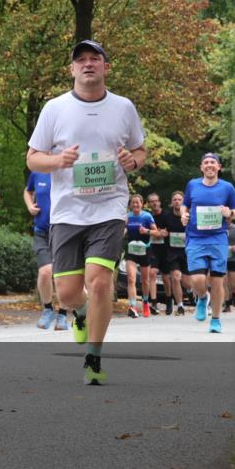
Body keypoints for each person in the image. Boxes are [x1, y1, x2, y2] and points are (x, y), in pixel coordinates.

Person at [27, 39, 146, 386]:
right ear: (72, 69)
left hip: (109, 208)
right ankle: (79, 312)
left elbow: (140, 150)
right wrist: (57, 160)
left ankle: (93, 358)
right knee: (66, 293)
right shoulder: (54, 108)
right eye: (81, 60)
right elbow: (33, 158)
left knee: (100, 281)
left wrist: (133, 161)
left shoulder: (123, 107)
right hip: (67, 212)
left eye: (95, 58)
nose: (88, 64)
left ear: (106, 67)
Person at [180, 153, 235, 334]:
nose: (209, 165)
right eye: (206, 162)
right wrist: (184, 215)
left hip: (218, 239)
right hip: (195, 238)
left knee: (217, 281)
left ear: (219, 167)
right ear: (201, 167)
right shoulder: (193, 185)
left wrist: (230, 213)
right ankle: (202, 297)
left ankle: (215, 319)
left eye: (213, 162)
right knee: (197, 279)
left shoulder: (227, 187)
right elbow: (185, 205)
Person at [25, 171, 68, 330]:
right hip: (41, 231)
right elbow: (28, 191)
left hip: (63, 231)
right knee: (45, 272)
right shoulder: (37, 173)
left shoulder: (67, 170)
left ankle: (63, 314)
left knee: (62, 275)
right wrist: (30, 205)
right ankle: (48, 309)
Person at [124, 194, 156, 318]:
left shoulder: (147, 216)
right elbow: (123, 229)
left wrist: (146, 231)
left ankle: (145, 302)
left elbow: (156, 231)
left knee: (145, 280)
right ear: (130, 204)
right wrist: (123, 232)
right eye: (133, 202)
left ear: (142, 204)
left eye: (137, 202)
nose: (135, 204)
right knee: (131, 279)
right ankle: (132, 306)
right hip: (131, 250)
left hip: (144, 250)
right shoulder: (128, 216)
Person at [146, 192, 175, 315]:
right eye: (151, 201)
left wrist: (161, 233)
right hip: (153, 249)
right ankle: (153, 302)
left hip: (166, 249)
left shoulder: (167, 215)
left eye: (156, 201)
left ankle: (169, 299)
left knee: (165, 277)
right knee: (152, 273)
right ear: (149, 204)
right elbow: (147, 231)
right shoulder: (148, 217)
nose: (154, 203)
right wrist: (156, 233)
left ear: (159, 202)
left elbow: (168, 232)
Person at [165, 191, 190, 315]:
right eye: (175, 199)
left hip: (187, 251)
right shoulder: (167, 216)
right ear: (171, 202)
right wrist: (163, 233)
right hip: (172, 252)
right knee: (175, 277)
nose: (177, 202)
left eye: (179, 199)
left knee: (187, 283)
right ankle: (180, 306)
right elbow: (161, 230)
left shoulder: (188, 216)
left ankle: (193, 292)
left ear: (183, 202)